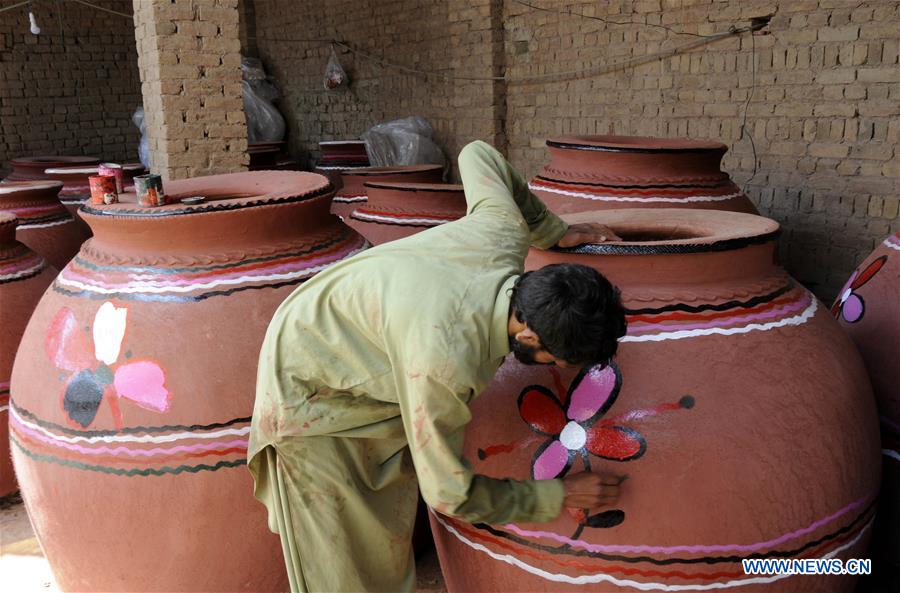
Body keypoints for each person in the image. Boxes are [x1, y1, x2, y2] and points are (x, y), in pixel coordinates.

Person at [248, 140, 628, 593]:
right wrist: (556, 495)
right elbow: (448, 493)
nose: (561, 371)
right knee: (343, 569)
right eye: (560, 362)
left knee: (383, 540)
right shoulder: (445, 362)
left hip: (359, 337)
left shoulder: (503, 233)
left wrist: (549, 231)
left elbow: (477, 154)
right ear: (528, 336)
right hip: (309, 384)